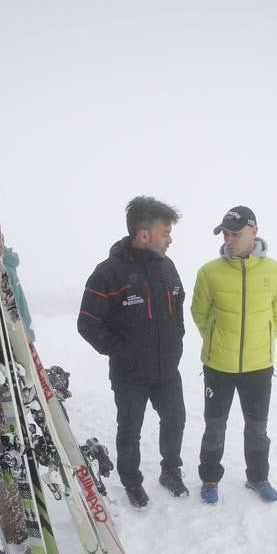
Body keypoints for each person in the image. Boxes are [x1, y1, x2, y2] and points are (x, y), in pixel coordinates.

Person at [77, 196, 188, 508]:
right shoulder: (108, 273)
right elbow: (87, 323)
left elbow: (178, 306)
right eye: (165, 232)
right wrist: (121, 350)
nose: (169, 239)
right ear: (144, 234)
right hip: (129, 375)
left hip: (167, 370)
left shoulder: (168, 267)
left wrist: (177, 339)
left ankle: (170, 470)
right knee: (130, 431)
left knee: (175, 420)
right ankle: (132, 482)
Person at [190, 205, 277, 505]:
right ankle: (210, 477)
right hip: (218, 366)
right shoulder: (209, 272)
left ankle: (258, 477)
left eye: (235, 232)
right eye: (225, 233)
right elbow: (199, 312)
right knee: (214, 426)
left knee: (258, 427)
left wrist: (260, 340)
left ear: (254, 231)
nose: (229, 238)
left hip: (259, 366)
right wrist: (217, 340)